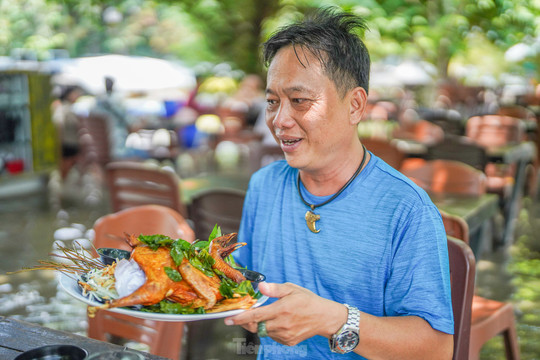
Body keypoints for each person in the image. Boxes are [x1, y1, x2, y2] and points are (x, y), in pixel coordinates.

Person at [225, 7, 454, 359]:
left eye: (299, 101)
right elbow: (242, 286)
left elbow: (437, 350)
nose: (280, 120)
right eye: (272, 102)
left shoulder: (406, 209)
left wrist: (333, 319)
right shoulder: (264, 185)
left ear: (355, 105)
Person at [52, 85, 84, 179]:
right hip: (67, 144)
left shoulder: (70, 108)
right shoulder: (64, 108)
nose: (77, 95)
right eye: (75, 93)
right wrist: (59, 142)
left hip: (72, 143)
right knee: (64, 169)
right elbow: (59, 125)